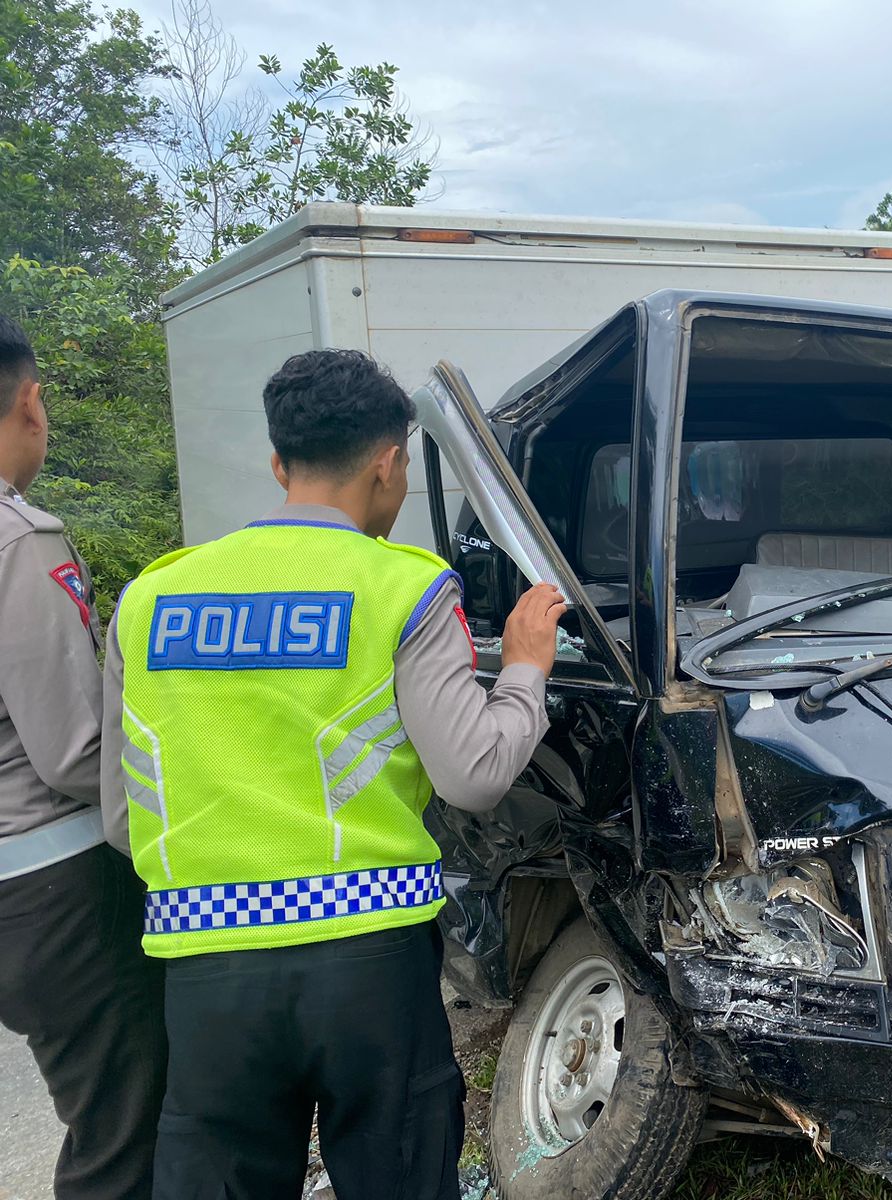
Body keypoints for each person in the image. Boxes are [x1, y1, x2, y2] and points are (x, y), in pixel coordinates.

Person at [101, 348, 568, 1199]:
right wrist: (527, 668)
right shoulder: (405, 589)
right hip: (368, 966)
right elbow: (474, 775)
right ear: (391, 465)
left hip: (207, 970)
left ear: (279, 464)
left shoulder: (149, 599)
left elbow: (124, 817)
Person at [0, 312, 167, 1198]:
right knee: (124, 1133)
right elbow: (76, 754)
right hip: (56, 886)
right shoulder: (21, 541)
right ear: (31, 400)